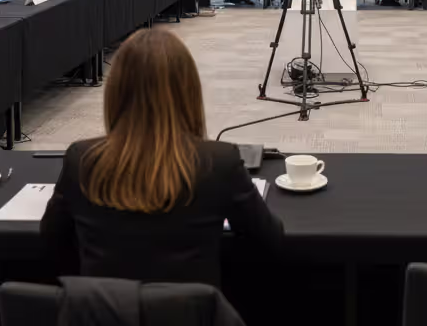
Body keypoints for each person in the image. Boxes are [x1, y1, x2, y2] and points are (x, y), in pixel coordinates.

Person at [42, 30, 283, 286]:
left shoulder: (82, 160)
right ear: (189, 91)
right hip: (191, 308)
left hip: (103, 307)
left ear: (116, 92)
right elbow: (269, 241)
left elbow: (51, 243)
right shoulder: (220, 162)